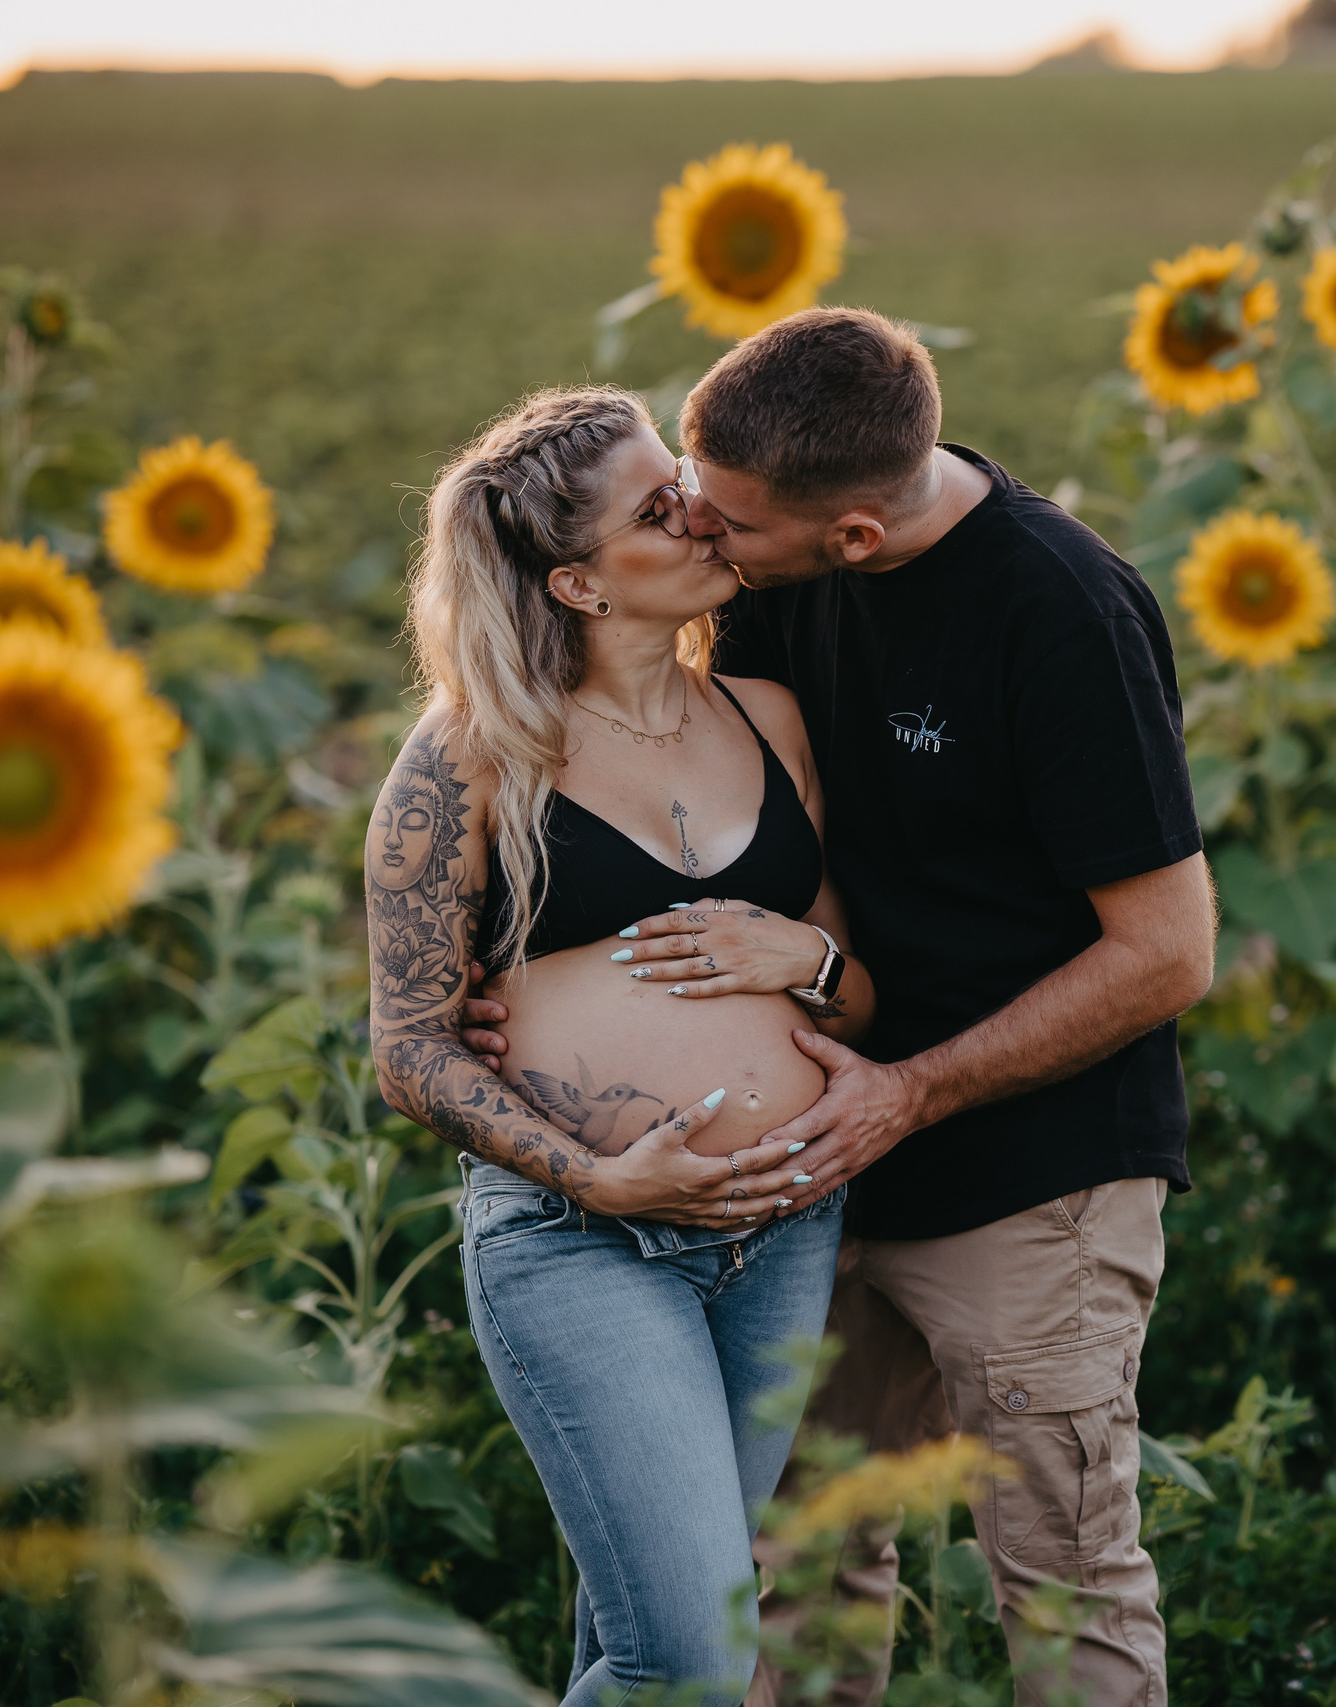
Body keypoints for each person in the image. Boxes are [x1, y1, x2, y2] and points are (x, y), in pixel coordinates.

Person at [466, 309, 1216, 1706]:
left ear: (853, 538)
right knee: (807, 1570)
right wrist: (540, 1000)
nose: (694, 532)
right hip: (805, 1192)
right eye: (685, 496)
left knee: (1062, 1577)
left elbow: (1169, 953)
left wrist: (912, 1089)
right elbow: (697, 806)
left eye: (723, 524)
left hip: (1026, 1176)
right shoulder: (752, 556)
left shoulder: (1059, 611)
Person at [367, 383, 877, 1707]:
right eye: (661, 508)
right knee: (693, 1661)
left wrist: (810, 963)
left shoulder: (769, 722)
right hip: (583, 1243)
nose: (703, 514)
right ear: (581, 587)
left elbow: (856, 999)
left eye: (685, 481)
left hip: (784, 1234)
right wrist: (595, 1177)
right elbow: (411, 1050)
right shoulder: (473, 757)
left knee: (645, 1645)